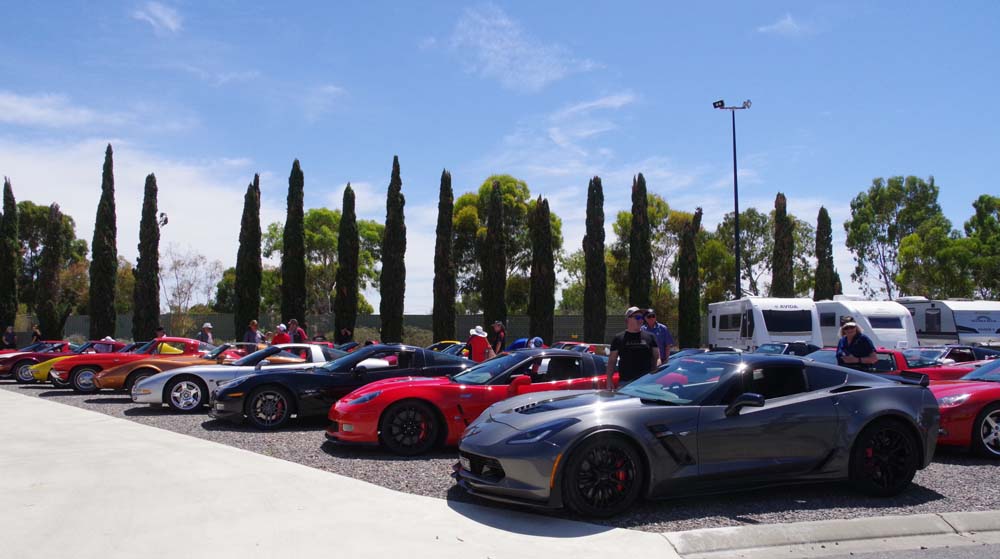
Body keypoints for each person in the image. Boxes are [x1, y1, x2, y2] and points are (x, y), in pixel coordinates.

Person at [606, 306, 660, 389]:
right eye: (637, 317)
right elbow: (612, 361)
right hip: (626, 384)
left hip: (646, 383)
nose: (640, 320)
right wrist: (609, 380)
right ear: (628, 319)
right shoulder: (618, 338)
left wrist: (655, 375)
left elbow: (657, 358)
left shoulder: (650, 337)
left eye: (642, 317)